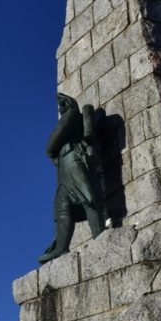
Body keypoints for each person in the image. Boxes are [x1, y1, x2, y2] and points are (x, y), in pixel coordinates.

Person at [38, 93, 106, 263]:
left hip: (73, 162)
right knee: (62, 205)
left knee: (87, 198)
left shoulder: (70, 116)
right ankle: (61, 248)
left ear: (67, 104)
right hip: (65, 165)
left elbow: (50, 146)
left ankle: (101, 237)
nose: (59, 108)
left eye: (61, 104)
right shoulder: (72, 117)